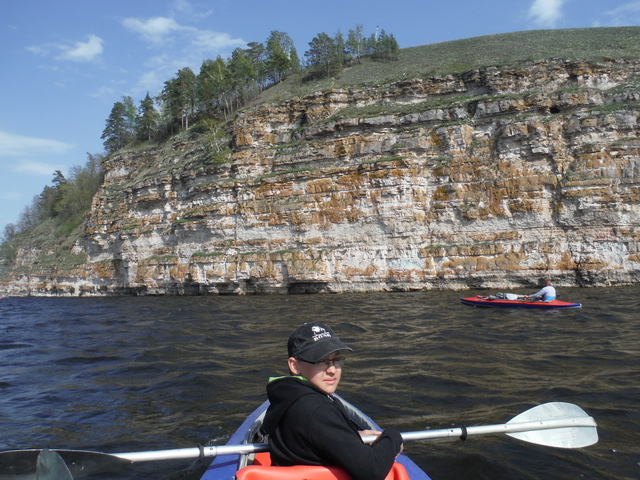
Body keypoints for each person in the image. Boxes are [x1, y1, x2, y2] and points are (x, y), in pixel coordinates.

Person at [261, 322, 403, 480]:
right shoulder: (316, 408)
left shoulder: (287, 396)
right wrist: (393, 437)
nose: (332, 370)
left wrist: (351, 437)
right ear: (295, 366)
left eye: (336, 360)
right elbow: (372, 471)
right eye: (321, 361)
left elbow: (312, 438)